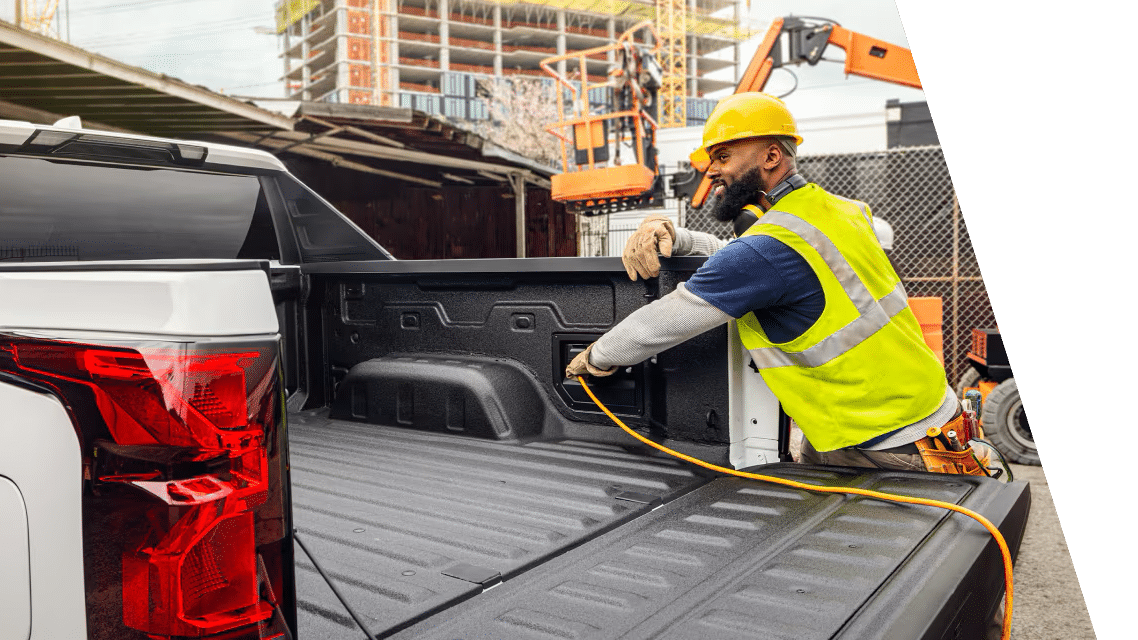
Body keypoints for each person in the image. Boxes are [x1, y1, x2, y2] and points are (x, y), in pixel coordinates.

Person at [566, 92, 983, 474]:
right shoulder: (839, 211)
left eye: (724, 156)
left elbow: (669, 317)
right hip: (923, 414)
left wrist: (598, 357)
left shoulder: (770, 248)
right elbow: (754, 257)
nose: (712, 170)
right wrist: (680, 239)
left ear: (770, 156)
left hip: (887, 442)